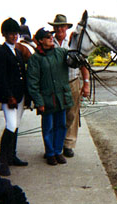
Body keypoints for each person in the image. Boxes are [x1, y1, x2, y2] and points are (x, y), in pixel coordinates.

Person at [27, 27, 74, 165]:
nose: (51, 38)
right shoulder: (35, 59)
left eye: (51, 36)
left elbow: (75, 57)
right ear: (40, 40)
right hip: (47, 99)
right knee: (48, 127)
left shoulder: (61, 52)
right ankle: (50, 153)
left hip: (62, 97)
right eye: (48, 37)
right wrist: (38, 101)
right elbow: (32, 82)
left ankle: (58, 151)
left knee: (61, 126)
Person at [48, 14, 90, 158]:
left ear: (66, 27)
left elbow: (83, 63)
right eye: (57, 26)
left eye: (62, 26)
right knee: (54, 117)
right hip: (54, 86)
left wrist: (86, 84)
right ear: (53, 28)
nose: (59, 28)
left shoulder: (73, 42)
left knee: (72, 114)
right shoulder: (48, 42)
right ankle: (53, 146)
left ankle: (68, 144)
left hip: (72, 82)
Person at [0, 18, 29, 176]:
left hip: (20, 95)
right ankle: (2, 162)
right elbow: (0, 77)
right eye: (11, 34)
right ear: (4, 35)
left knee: (16, 126)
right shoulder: (0, 52)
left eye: (16, 34)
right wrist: (9, 96)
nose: (14, 36)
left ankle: (12, 155)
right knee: (10, 126)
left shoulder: (17, 51)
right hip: (10, 97)